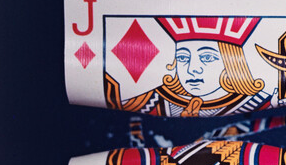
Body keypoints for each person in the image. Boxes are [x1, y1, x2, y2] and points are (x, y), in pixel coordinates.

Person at [110, 16, 275, 117]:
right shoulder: (151, 100)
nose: (192, 69)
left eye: (207, 57)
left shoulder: (262, 100)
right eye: (182, 57)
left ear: (231, 63)